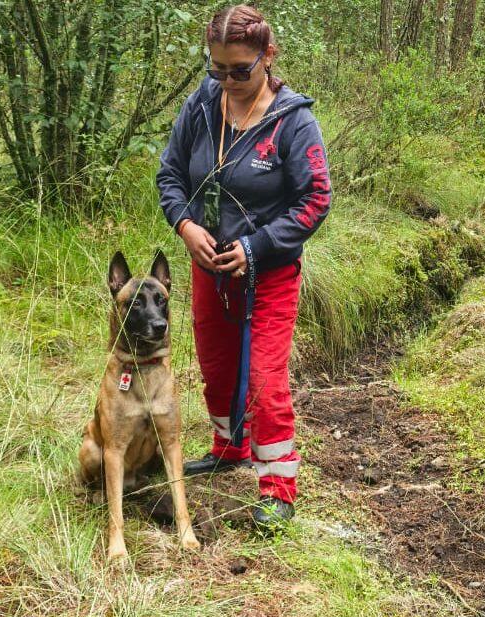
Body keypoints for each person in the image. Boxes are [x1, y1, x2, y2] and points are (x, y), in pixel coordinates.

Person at [156, 4, 331, 528]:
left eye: (240, 70)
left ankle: (278, 488)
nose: (228, 81)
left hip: (269, 274)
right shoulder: (203, 106)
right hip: (210, 270)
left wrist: (256, 247)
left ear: (268, 56)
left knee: (263, 378)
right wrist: (187, 229)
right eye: (217, 69)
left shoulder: (294, 121)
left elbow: (316, 199)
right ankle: (228, 447)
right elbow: (170, 177)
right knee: (215, 366)